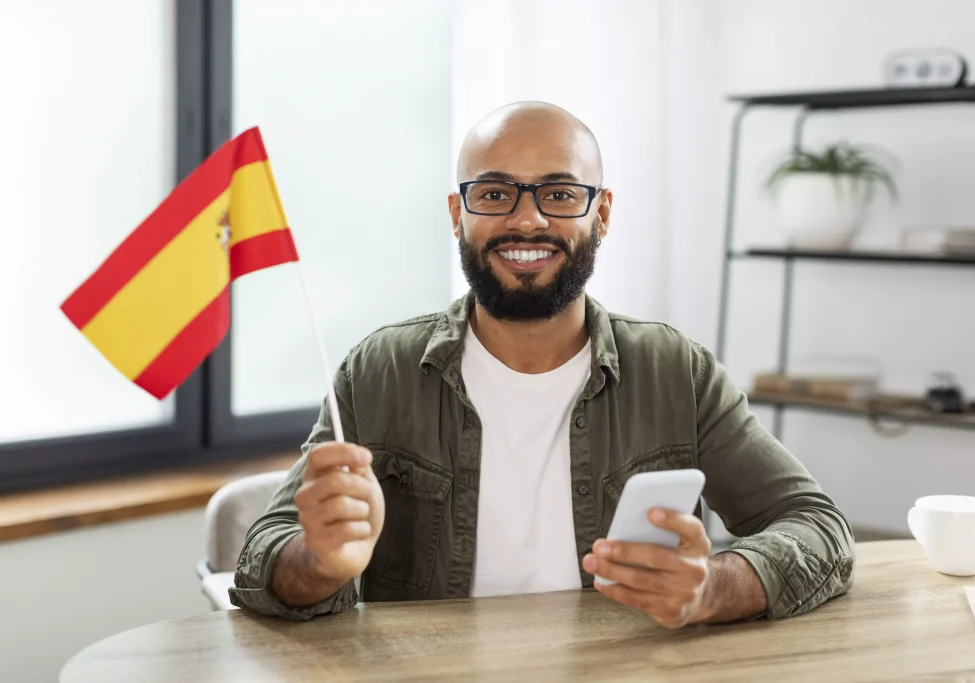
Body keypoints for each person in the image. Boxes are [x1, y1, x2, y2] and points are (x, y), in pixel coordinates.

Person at [230, 101, 855, 628]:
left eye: (559, 194)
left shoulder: (675, 371)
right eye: (495, 193)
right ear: (458, 214)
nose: (526, 219)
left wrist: (710, 588)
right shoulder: (379, 372)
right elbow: (261, 559)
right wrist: (318, 565)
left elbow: (819, 529)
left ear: (601, 214)